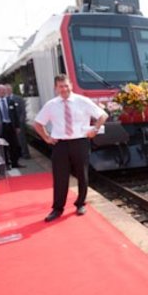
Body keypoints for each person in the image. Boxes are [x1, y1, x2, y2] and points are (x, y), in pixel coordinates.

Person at [34, 75, 107, 222]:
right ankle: (57, 208)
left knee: (82, 174)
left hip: (80, 142)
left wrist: (95, 129)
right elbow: (37, 123)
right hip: (60, 144)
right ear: (56, 88)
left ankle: (80, 203)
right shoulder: (51, 105)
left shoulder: (82, 101)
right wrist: (47, 137)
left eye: (66, 86)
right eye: (61, 86)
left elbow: (103, 115)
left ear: (71, 86)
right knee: (60, 177)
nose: (64, 89)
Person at [0, 85, 23, 168]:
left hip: (11, 125)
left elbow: (15, 114)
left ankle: (15, 163)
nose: (3, 92)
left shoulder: (10, 101)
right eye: (1, 90)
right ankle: (6, 164)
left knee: (14, 145)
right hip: (1, 126)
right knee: (3, 146)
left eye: (4, 90)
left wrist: (17, 126)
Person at [5, 84, 30, 159]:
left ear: (11, 90)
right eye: (6, 90)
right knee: (12, 140)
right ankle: (16, 155)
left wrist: (20, 122)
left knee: (21, 139)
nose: (8, 91)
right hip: (9, 124)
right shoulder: (4, 100)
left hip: (19, 123)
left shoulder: (18, 98)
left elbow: (23, 111)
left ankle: (25, 154)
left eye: (9, 89)